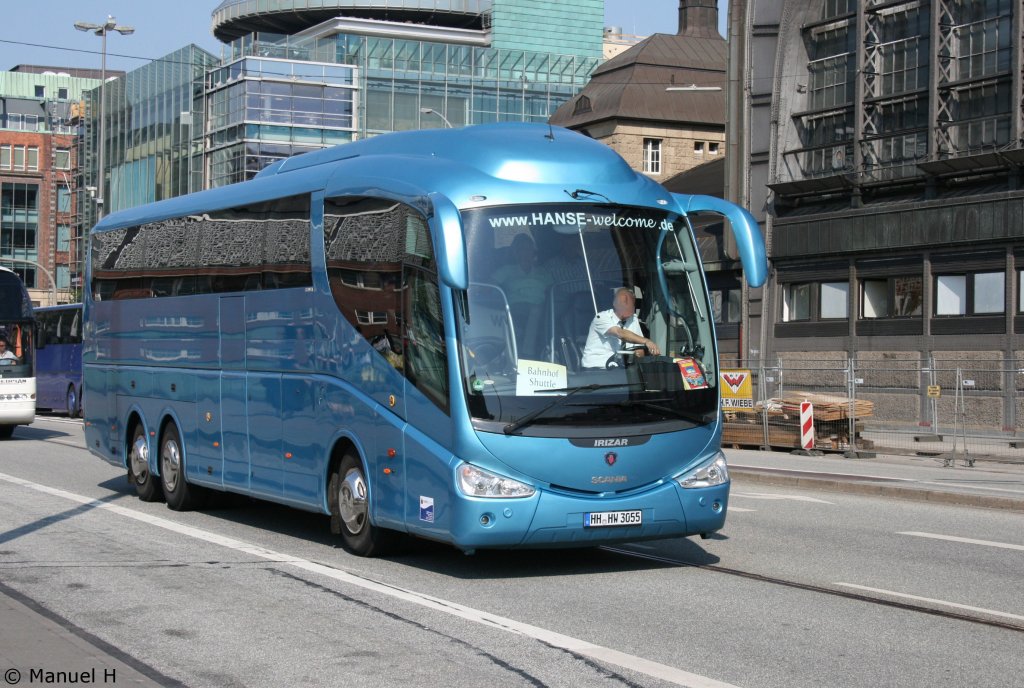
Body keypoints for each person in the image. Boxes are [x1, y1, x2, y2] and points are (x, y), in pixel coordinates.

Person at [493, 234, 552, 357]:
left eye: (529, 249)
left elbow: (553, 291)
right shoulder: (507, 270)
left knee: (541, 311)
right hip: (515, 308)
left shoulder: (543, 272)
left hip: (543, 309)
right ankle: (527, 354)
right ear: (516, 252)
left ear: (534, 252)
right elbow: (490, 287)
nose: (526, 253)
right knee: (535, 310)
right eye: (522, 249)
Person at [581, 287, 660, 368]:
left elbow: (639, 347)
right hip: (595, 369)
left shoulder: (633, 319)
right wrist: (647, 341)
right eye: (623, 302)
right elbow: (620, 333)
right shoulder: (600, 317)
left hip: (620, 370)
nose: (626, 305)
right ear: (615, 303)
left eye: (629, 303)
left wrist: (639, 360)